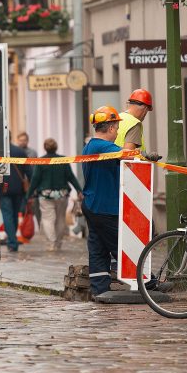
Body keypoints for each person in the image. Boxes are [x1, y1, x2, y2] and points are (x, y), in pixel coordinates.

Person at [80, 106, 123, 296]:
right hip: (104, 207)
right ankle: (147, 281)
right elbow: (129, 154)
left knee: (98, 247)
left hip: (93, 204)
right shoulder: (103, 146)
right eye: (117, 127)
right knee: (121, 244)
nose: (118, 131)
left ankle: (100, 287)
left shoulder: (90, 146)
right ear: (112, 128)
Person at [24, 138, 83, 251]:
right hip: (62, 194)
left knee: (47, 219)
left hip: (45, 196)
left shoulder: (40, 161)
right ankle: (58, 242)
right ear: (56, 147)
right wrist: (79, 190)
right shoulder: (63, 160)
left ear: (45, 148)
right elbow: (71, 177)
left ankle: (52, 243)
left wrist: (28, 195)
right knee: (60, 219)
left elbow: (35, 180)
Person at [0, 142, 32, 253]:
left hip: (3, 188)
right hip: (18, 188)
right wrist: (31, 186)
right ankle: (13, 240)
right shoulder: (20, 151)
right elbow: (29, 170)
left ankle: (12, 242)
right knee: (14, 214)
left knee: (7, 214)